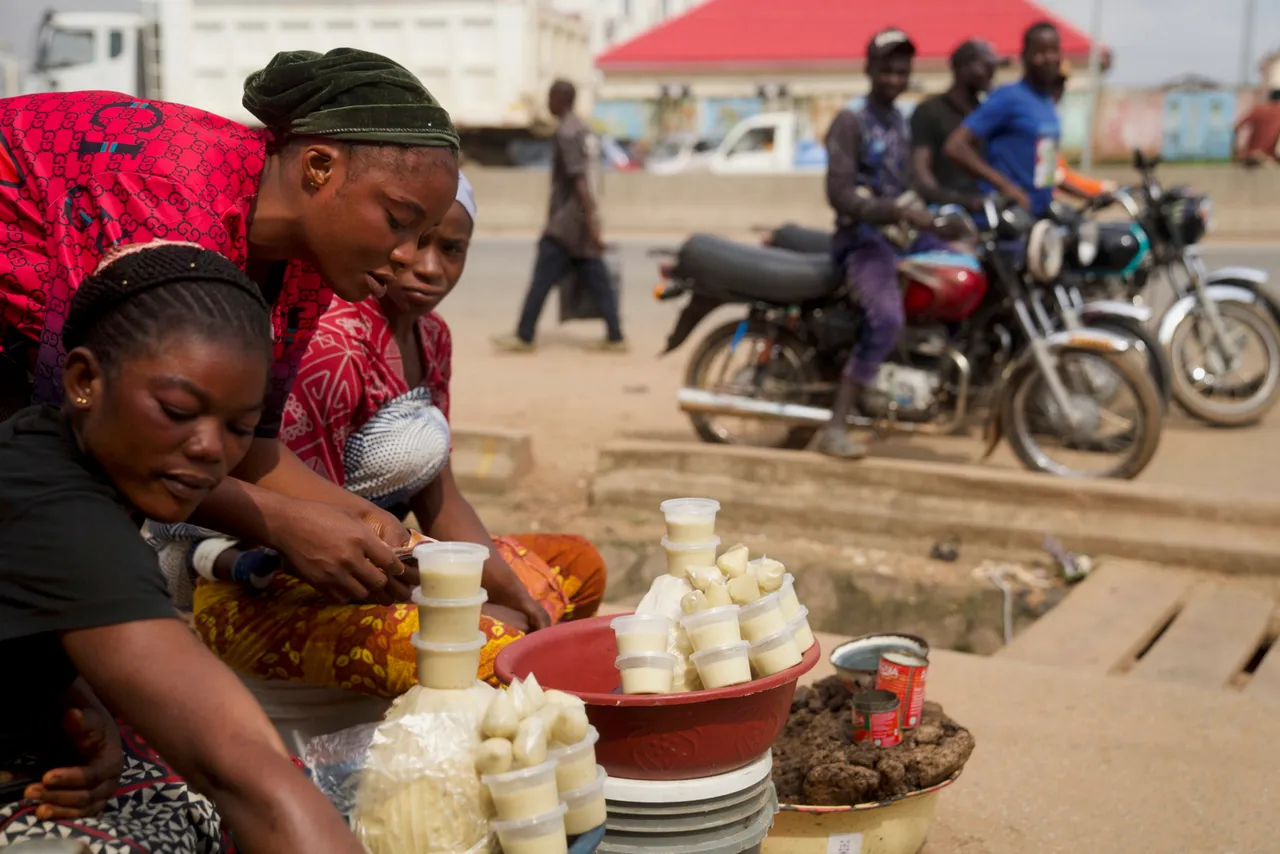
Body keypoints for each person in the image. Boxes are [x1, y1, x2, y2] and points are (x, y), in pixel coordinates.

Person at [147, 176, 608, 752]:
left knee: (576, 566)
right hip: (271, 589)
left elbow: (441, 497)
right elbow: (315, 544)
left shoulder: (432, 338)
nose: (430, 267)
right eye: (417, 241)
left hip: (389, 565)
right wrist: (465, 604)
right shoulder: (334, 342)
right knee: (498, 650)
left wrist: (508, 590)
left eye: (452, 248)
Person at [0, 48, 464, 611]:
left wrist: (369, 525)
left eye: (427, 234)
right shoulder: (170, 191)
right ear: (319, 167)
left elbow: (254, 447)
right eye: (397, 221)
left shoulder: (308, 258)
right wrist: (281, 524)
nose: (406, 256)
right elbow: (116, 436)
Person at [0, 243, 363, 852]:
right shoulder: (57, 510)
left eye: (238, 429)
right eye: (177, 411)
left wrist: (75, 697)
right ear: (85, 380)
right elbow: (240, 765)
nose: (208, 449)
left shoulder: (58, 454)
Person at [812, 28, 953, 460]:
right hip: (862, 239)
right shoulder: (851, 120)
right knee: (887, 318)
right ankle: (835, 425)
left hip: (901, 235)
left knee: (961, 273)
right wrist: (894, 211)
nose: (894, 77)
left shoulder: (900, 121)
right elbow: (839, 193)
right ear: (869, 69)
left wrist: (946, 216)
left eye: (902, 70)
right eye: (887, 69)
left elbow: (910, 182)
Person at [493, 79, 627, 353]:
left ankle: (524, 335)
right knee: (597, 278)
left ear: (560, 99)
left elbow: (578, 180)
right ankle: (615, 335)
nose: (548, 104)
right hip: (580, 222)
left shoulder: (566, 133)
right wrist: (592, 221)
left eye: (551, 98)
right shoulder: (583, 129)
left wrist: (591, 223)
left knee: (542, 279)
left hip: (566, 224)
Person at [943, 21, 1064, 216]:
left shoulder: (1048, 104)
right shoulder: (1008, 97)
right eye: (1040, 52)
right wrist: (1007, 187)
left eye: (1054, 51)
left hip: (1041, 216)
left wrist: (1087, 193)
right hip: (1009, 217)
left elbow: (1046, 170)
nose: (1048, 58)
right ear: (1024, 56)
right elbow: (955, 146)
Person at [910, 39, 1005, 210]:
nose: (992, 74)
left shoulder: (983, 114)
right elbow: (922, 175)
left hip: (985, 208)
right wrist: (957, 202)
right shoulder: (929, 111)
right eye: (986, 67)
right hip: (946, 212)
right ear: (962, 68)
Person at [1050, 61, 1117, 201]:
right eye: (1054, 83)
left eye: (1061, 84)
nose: (1059, 90)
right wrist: (1097, 191)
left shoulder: (1049, 117)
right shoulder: (1034, 118)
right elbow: (1058, 176)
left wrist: (1102, 187)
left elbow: (1061, 172)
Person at [1233, 89, 1280, 167]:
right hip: (1267, 158)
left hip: (1249, 155)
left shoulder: (1258, 109)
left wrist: (1236, 152)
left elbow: (1236, 127)